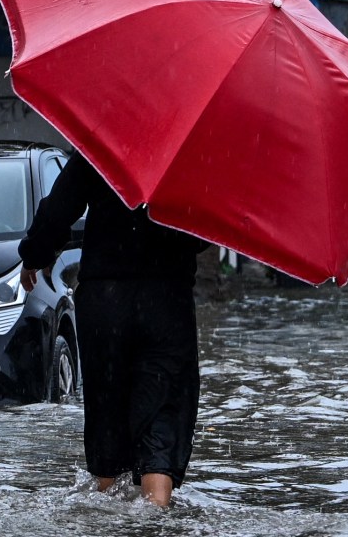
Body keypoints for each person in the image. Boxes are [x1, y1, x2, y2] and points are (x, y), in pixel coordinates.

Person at [19, 151, 207, 508]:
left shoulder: (103, 140)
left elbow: (59, 207)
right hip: (167, 299)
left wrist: (35, 253)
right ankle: (155, 516)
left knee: (108, 412)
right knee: (163, 414)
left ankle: (106, 517)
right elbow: (203, 234)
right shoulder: (190, 153)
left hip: (106, 301)